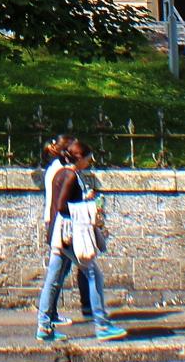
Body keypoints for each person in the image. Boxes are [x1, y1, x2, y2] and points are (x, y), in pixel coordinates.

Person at [36, 138, 126, 342]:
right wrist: (88, 207)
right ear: (80, 158)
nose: (89, 162)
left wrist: (83, 199)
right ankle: (102, 326)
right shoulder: (69, 175)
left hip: (59, 233)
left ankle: (44, 327)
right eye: (88, 158)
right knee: (94, 276)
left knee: (53, 280)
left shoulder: (63, 173)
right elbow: (61, 207)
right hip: (68, 234)